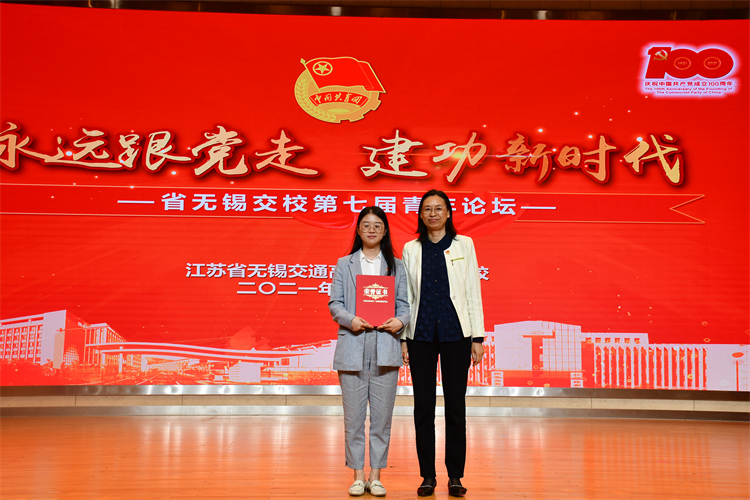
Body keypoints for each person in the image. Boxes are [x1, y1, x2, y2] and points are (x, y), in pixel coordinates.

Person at [400, 189, 485, 498]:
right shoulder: (411, 248)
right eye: (427, 209)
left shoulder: (465, 244)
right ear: (420, 215)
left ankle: (455, 476)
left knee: (455, 407)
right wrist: (403, 338)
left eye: (438, 208)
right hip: (420, 335)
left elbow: (472, 290)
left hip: (456, 334)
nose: (433, 213)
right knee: (423, 407)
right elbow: (406, 296)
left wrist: (477, 336)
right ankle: (427, 476)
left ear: (448, 213)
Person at [329, 206, 410, 497]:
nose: (372, 230)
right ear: (359, 230)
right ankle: (357, 475)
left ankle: (375, 476)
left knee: (381, 419)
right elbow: (335, 303)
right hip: (352, 346)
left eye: (377, 225)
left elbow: (405, 305)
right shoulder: (345, 263)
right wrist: (350, 319)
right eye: (366, 225)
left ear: (385, 230)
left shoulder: (397, 266)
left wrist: (400, 321)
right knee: (353, 419)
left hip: (385, 347)